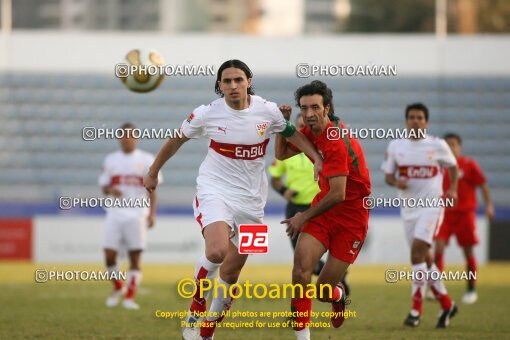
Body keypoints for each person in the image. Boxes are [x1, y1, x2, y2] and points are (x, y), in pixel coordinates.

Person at [143, 60, 323, 340]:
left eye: (238, 79)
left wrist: (317, 159)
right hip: (215, 190)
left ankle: (206, 331)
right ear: (220, 86)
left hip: (253, 203)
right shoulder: (207, 114)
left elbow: (291, 134)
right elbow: (177, 139)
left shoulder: (268, 110)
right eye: (226, 81)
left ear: (249, 81)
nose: (233, 86)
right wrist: (153, 171)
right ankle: (196, 305)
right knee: (216, 252)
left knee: (231, 273)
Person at [276, 80, 371, 340]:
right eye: (303, 108)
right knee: (300, 270)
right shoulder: (309, 130)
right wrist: (282, 126)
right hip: (324, 212)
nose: (308, 114)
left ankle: (337, 295)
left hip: (351, 218)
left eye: (314, 107)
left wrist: (303, 216)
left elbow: (339, 194)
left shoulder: (336, 141)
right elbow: (282, 154)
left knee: (323, 291)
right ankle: (303, 337)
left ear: (327, 108)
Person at [381, 103, 459, 328]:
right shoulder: (396, 146)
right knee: (426, 258)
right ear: (406, 121)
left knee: (416, 253)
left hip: (432, 206)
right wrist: (397, 181)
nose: (416, 121)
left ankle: (416, 310)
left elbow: (452, 166)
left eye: (420, 118)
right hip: (409, 210)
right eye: (412, 117)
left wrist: (452, 188)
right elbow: (388, 175)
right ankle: (447, 303)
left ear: (426, 122)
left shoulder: (437, 145)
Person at [268, 114, 350, 295]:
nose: (303, 131)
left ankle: (333, 281)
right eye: (299, 127)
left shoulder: (324, 150)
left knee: (307, 263)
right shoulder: (290, 153)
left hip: (319, 208)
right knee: (302, 263)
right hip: (295, 209)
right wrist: (284, 191)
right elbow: (274, 179)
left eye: (305, 126)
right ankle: (338, 279)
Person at [99, 122, 160, 310]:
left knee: (135, 258)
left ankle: (129, 298)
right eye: (123, 136)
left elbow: (153, 189)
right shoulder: (110, 160)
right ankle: (118, 288)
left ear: (136, 137)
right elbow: (103, 187)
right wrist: (110, 189)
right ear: (119, 138)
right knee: (109, 256)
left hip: (137, 214)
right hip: (115, 213)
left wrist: (151, 214)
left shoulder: (146, 159)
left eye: (130, 135)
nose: (126, 139)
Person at [434, 132, 495, 304]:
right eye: (447, 144)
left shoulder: (468, 165)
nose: (450, 147)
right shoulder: (439, 166)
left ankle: (471, 289)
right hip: (444, 213)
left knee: (468, 251)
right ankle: (437, 288)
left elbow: (483, 185)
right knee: (438, 248)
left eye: (453, 144)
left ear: (459, 147)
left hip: (464, 214)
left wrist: (489, 205)